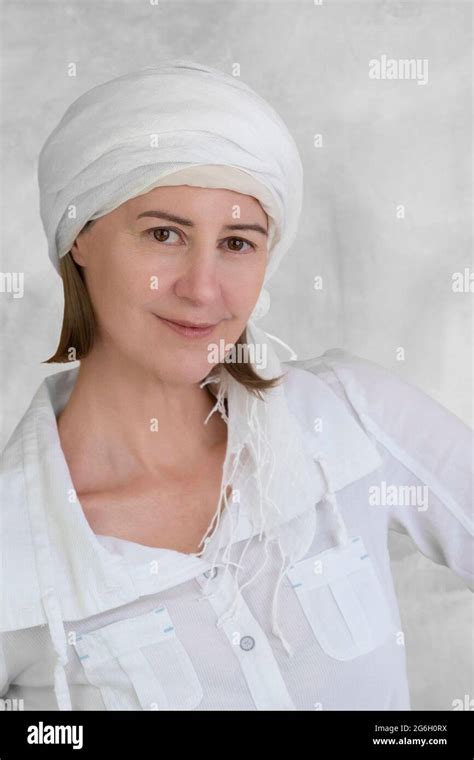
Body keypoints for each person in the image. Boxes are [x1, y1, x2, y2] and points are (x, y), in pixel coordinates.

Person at [0, 60, 472, 712]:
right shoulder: (14, 551)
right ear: (80, 237)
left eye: (238, 243)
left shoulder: (351, 417)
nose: (203, 289)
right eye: (164, 234)